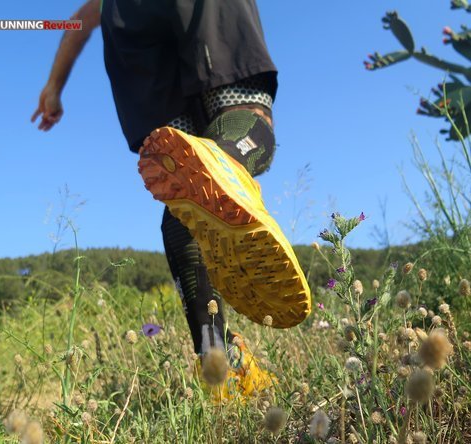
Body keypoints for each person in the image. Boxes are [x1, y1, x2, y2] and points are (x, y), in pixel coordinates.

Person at [32, 0, 311, 401]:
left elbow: (79, 20)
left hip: (127, 21)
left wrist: (53, 87)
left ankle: (219, 366)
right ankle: (229, 158)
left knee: (185, 198)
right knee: (240, 119)